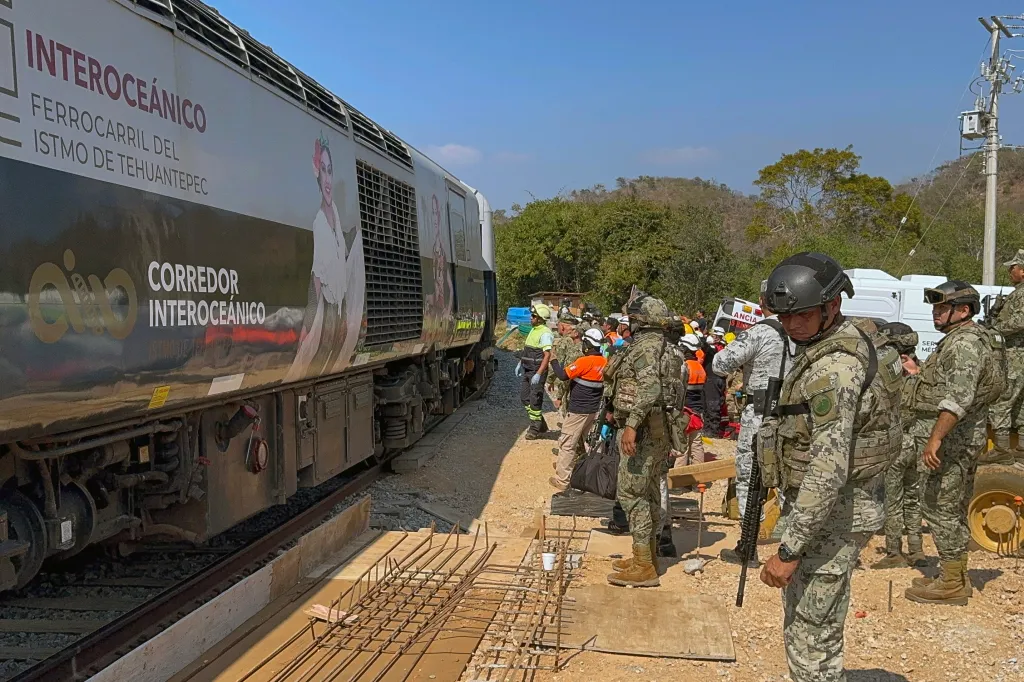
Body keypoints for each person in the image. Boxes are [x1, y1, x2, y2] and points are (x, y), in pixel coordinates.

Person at [757, 252, 902, 682]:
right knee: (815, 621)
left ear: (831, 306)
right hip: (830, 510)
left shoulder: (836, 368)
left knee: (809, 631)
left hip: (833, 514)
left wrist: (790, 550)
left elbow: (828, 467)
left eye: (800, 315)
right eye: (784, 317)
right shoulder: (832, 343)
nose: (790, 325)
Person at [902, 281, 1006, 605]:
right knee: (953, 506)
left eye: (942, 307)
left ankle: (951, 583)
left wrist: (935, 438)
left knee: (938, 506)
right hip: (958, 439)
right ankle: (955, 575)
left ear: (963, 310)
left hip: (952, 441)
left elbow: (958, 397)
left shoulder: (963, 345)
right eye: (935, 307)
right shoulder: (961, 340)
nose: (936, 313)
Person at [713, 284, 792, 566]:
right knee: (789, 479)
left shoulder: (760, 332)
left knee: (749, 477)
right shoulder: (801, 333)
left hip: (759, 412)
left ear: (762, 301)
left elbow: (721, 363)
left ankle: (748, 544)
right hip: (792, 415)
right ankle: (795, 546)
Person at [604, 293, 674, 587]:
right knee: (651, 493)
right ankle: (648, 556)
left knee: (632, 494)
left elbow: (650, 389)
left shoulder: (644, 348)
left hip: (642, 433)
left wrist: (631, 425)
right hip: (659, 433)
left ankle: (644, 563)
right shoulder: (668, 348)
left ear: (639, 321)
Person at [870, 322, 927, 569]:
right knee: (913, 498)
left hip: (898, 445)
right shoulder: (923, 370)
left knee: (893, 499)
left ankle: (894, 551)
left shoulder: (890, 372)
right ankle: (916, 549)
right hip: (921, 444)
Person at [548, 328, 608, 490]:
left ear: (587, 345)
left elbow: (563, 375)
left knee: (567, 443)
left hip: (578, 410)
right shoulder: (605, 363)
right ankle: (594, 476)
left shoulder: (584, 362)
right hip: (594, 410)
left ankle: (562, 480)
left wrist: (553, 360)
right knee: (592, 444)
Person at [986, 248, 1024, 464]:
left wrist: (995, 328)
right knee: (1019, 402)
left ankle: (1001, 448)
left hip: (1015, 355)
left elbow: (1020, 321)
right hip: (1018, 354)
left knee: (1002, 399)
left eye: (1014, 267)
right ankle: (1020, 448)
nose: (1010, 271)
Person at [516, 304, 554, 440]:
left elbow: (547, 355)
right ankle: (541, 424)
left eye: (534, 316)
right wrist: (520, 362)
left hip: (536, 371)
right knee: (524, 397)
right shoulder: (534, 330)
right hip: (527, 369)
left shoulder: (545, 333)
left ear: (540, 318)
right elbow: (528, 350)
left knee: (535, 400)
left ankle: (534, 429)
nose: (531, 318)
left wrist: (539, 373)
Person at [678, 334, 707, 465]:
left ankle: (678, 480)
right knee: (696, 445)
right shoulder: (700, 367)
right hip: (697, 411)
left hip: (684, 411)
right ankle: (698, 482)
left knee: (681, 445)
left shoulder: (684, 367)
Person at [547, 314, 583, 423]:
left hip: (568, 380)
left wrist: (550, 380)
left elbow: (558, 362)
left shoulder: (564, 341)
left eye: (558, 325)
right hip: (584, 383)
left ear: (562, 326)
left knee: (569, 415)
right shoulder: (581, 339)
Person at [703, 326, 727, 437]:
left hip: (714, 379)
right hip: (713, 378)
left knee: (712, 405)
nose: (712, 337)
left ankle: (713, 431)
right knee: (708, 405)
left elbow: (709, 349)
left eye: (714, 335)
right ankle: (708, 428)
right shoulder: (717, 347)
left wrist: (706, 342)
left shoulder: (719, 348)